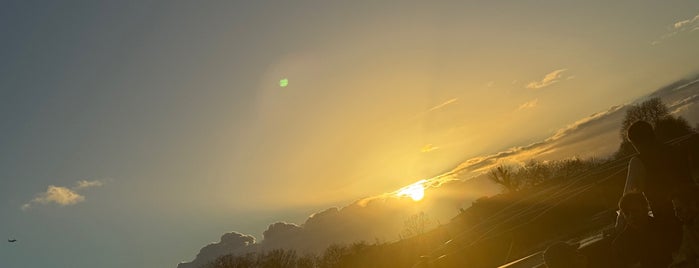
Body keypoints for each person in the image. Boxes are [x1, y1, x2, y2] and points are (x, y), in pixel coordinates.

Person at [616, 121, 693, 250]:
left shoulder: (638, 162)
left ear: (635, 143)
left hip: (668, 224)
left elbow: (628, 199)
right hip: (693, 214)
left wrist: (619, 226)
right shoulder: (678, 151)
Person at [613, 192, 673, 267]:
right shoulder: (620, 244)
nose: (631, 216)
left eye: (635, 211)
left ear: (645, 209)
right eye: (627, 213)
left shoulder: (664, 228)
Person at [670, 187, 699, 268]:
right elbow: (685, 254)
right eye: (675, 210)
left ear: (694, 205)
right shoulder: (688, 228)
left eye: (679, 209)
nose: (676, 214)